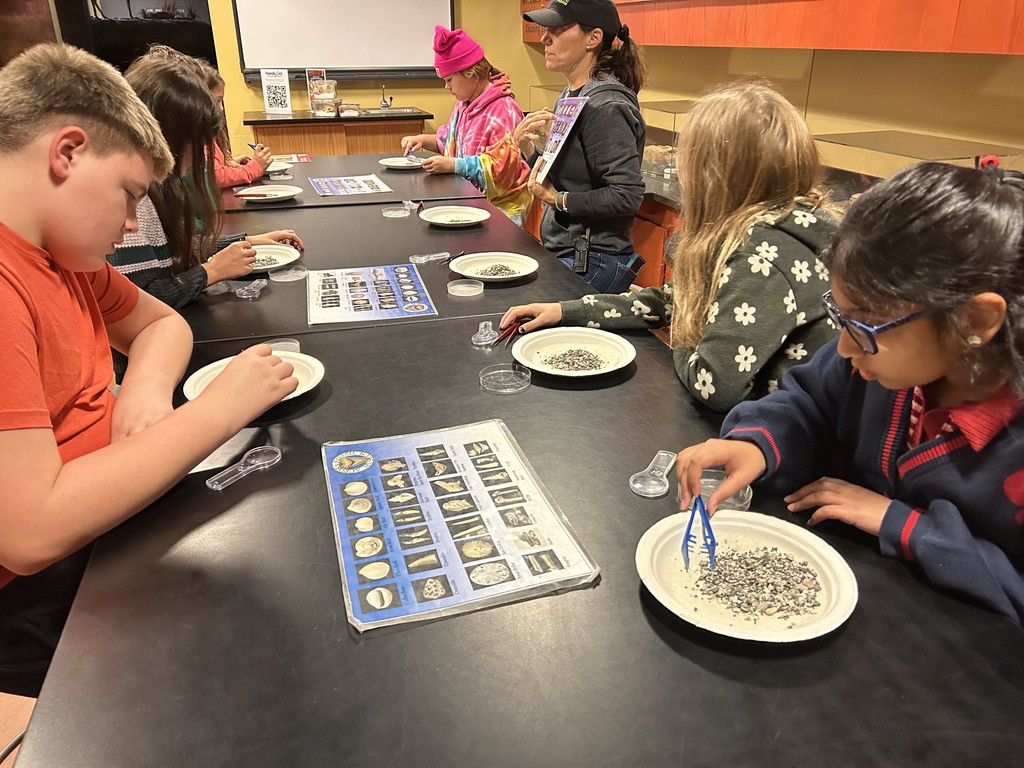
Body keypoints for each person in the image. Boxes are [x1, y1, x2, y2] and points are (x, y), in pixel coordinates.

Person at [0, 43, 298, 697]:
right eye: (129, 194)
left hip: (101, 520)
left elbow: (160, 324)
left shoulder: (62, 258)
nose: (133, 221)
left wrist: (143, 394)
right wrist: (217, 410)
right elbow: (29, 533)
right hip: (37, 600)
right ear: (67, 154)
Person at [677, 161, 1024, 624]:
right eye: (838, 316)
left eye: (862, 325)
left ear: (974, 322)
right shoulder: (874, 365)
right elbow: (809, 402)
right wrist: (757, 445)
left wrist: (905, 524)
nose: (842, 347)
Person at [502, 81, 840, 412]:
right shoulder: (760, 231)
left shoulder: (759, 257)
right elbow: (670, 300)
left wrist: (681, 333)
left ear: (713, 176)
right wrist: (567, 311)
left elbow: (713, 385)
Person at [106, 47, 303, 311]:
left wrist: (243, 241)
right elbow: (137, 302)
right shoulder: (134, 203)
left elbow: (175, 248)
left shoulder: (157, 191)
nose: (199, 155)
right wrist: (210, 272)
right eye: (196, 144)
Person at [515, 0, 647, 293]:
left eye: (558, 29)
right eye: (545, 29)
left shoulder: (605, 105)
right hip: (566, 251)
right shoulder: (572, 94)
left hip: (593, 259)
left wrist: (558, 200)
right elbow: (567, 180)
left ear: (593, 38)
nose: (544, 38)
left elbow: (626, 196)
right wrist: (527, 149)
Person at [400, 27, 532, 225]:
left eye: (449, 80)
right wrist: (422, 140)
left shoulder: (504, 109)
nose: (447, 87)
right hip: (468, 203)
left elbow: (502, 172)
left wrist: (455, 165)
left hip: (501, 214)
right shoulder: (464, 104)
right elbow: (451, 141)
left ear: (470, 73)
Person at [205, 65, 273, 189]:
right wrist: (253, 168)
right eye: (217, 101)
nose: (221, 108)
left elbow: (211, 169)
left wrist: (228, 165)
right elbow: (215, 177)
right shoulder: (198, 138)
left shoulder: (208, 133)